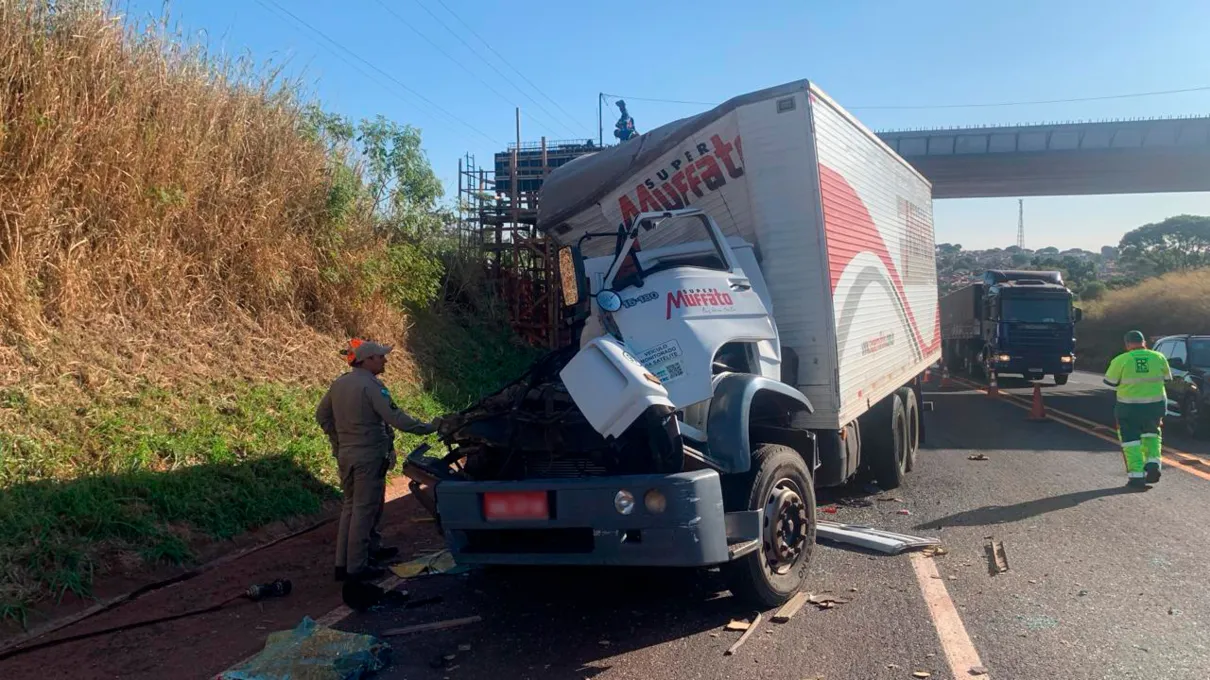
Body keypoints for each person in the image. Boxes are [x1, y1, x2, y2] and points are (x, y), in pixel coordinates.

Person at [316, 339, 436, 583]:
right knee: (364, 510)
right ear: (367, 359)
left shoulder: (339, 383)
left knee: (350, 507)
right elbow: (395, 418)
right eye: (380, 357)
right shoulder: (372, 386)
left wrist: (338, 440)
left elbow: (322, 415)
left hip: (347, 455)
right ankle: (357, 567)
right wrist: (428, 427)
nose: (385, 360)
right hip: (368, 455)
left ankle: (344, 563)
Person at [1103, 330, 1172, 489]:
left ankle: (1136, 478)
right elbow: (1167, 378)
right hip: (1155, 407)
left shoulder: (1121, 360)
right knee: (1152, 435)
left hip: (1129, 408)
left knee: (1130, 441)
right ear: (1144, 342)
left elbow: (1110, 382)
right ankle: (1154, 465)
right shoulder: (1159, 357)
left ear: (1127, 344)